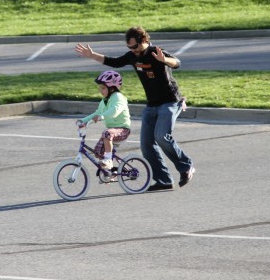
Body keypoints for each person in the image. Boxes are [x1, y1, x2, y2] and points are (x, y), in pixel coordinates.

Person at [75, 26, 195, 191]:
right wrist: (92, 55)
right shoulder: (132, 56)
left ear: (144, 41)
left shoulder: (155, 52)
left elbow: (177, 63)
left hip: (170, 102)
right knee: (146, 144)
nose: (133, 50)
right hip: (152, 104)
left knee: (161, 136)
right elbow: (115, 62)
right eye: (129, 47)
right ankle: (163, 180)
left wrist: (165, 60)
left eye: (135, 46)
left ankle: (186, 166)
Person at [77, 71, 131, 170]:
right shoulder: (104, 101)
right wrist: (83, 121)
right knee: (98, 152)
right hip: (112, 131)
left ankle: (109, 160)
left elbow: (115, 111)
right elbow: (97, 113)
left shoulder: (119, 98)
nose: (100, 90)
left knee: (107, 134)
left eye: (103, 88)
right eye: (100, 88)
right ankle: (110, 171)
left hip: (122, 130)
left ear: (112, 88)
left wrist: (101, 117)